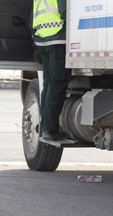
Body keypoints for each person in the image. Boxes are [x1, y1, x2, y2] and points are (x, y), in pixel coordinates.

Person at [32, 0, 71, 141]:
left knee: (48, 85)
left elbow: (32, 17)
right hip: (57, 38)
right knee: (57, 84)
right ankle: (49, 129)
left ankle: (45, 128)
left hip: (42, 39)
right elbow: (66, 12)